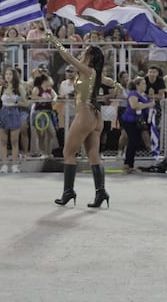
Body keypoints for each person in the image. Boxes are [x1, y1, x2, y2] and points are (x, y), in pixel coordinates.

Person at [47, 33, 122, 208]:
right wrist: (116, 85)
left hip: (85, 113)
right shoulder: (94, 73)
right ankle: (101, 192)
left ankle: (68, 192)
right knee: (93, 155)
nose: (82, 52)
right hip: (96, 116)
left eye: (85, 51)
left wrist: (55, 41)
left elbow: (67, 57)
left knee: (68, 152)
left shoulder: (86, 70)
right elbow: (110, 81)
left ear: (90, 57)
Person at [0, 66, 28, 173]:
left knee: (14, 141)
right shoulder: (2, 88)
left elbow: (26, 103)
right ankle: (4, 164)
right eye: (6, 74)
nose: (8, 76)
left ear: (14, 76)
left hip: (14, 112)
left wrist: (15, 100)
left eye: (10, 74)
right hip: (4, 111)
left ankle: (15, 164)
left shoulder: (19, 88)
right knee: (3, 141)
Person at [119, 77, 156, 174]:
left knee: (135, 141)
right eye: (143, 83)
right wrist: (147, 105)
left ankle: (129, 164)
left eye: (145, 83)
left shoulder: (145, 96)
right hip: (129, 120)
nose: (145, 85)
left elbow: (144, 106)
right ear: (137, 85)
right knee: (132, 140)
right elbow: (134, 106)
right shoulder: (133, 94)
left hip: (139, 121)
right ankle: (127, 164)